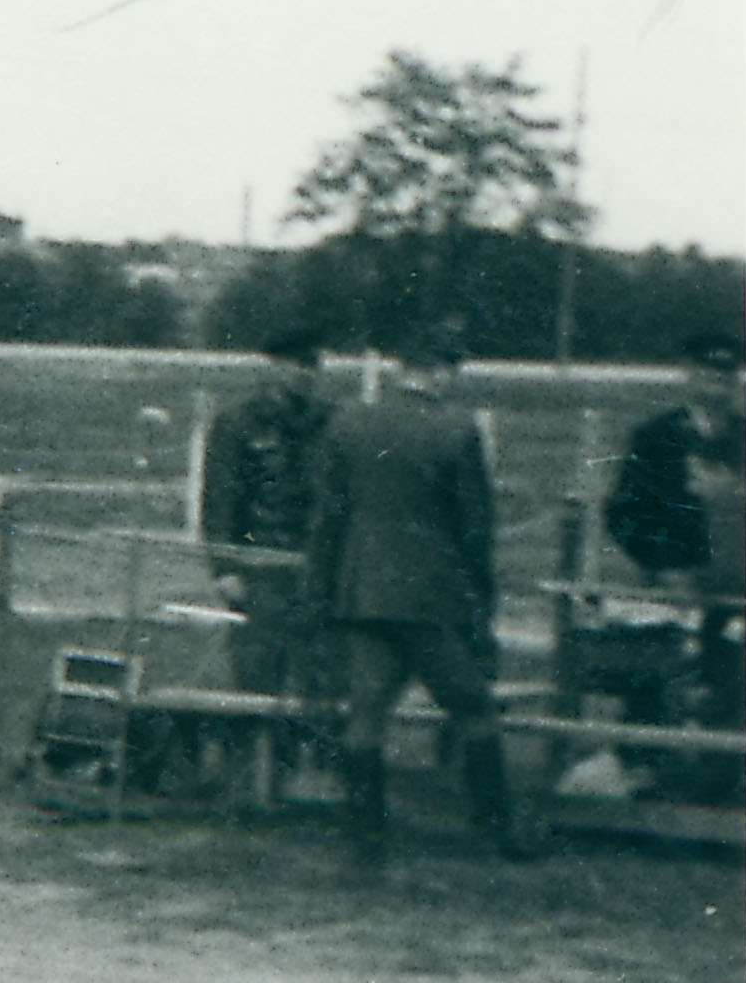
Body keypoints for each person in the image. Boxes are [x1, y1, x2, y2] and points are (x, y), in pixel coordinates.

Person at [310, 324, 518, 864]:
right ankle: (495, 829)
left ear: (403, 369)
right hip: (431, 597)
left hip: (363, 593)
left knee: (368, 711)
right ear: (444, 372)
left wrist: (323, 592)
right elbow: (475, 530)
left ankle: (366, 838)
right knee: (474, 707)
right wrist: (482, 601)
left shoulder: (349, 421)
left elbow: (328, 518)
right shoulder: (456, 428)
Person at [601, 330, 746, 796]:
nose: (715, 384)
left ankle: (717, 783)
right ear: (689, 375)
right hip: (671, 588)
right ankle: (644, 777)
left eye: (725, 375)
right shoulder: (656, 437)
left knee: (731, 682)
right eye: (706, 373)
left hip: (735, 592)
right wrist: (664, 565)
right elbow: (625, 512)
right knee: (658, 681)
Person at [198, 323, 339, 703]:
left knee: (322, 680)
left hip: (316, 569)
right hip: (260, 569)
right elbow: (220, 501)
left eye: (312, 366)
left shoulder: (331, 423)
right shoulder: (239, 423)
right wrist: (225, 569)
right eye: (295, 365)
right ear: (273, 368)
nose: (305, 374)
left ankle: (311, 761)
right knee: (258, 678)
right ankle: (259, 760)